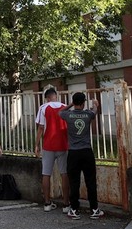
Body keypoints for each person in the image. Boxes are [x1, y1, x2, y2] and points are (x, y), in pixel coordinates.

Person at [59, 92, 103, 220]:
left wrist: (71, 104)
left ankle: (74, 209)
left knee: (74, 182)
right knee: (90, 181)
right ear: (83, 103)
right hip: (86, 151)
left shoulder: (68, 115)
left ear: (74, 102)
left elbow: (60, 112)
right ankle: (94, 209)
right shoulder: (88, 114)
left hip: (73, 152)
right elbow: (94, 112)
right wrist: (96, 105)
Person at [35, 86, 70, 213]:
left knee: (46, 173)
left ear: (47, 98)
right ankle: (66, 204)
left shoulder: (43, 108)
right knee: (64, 173)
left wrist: (37, 144)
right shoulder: (65, 106)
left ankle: (47, 203)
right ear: (56, 95)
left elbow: (40, 127)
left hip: (48, 145)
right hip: (63, 144)